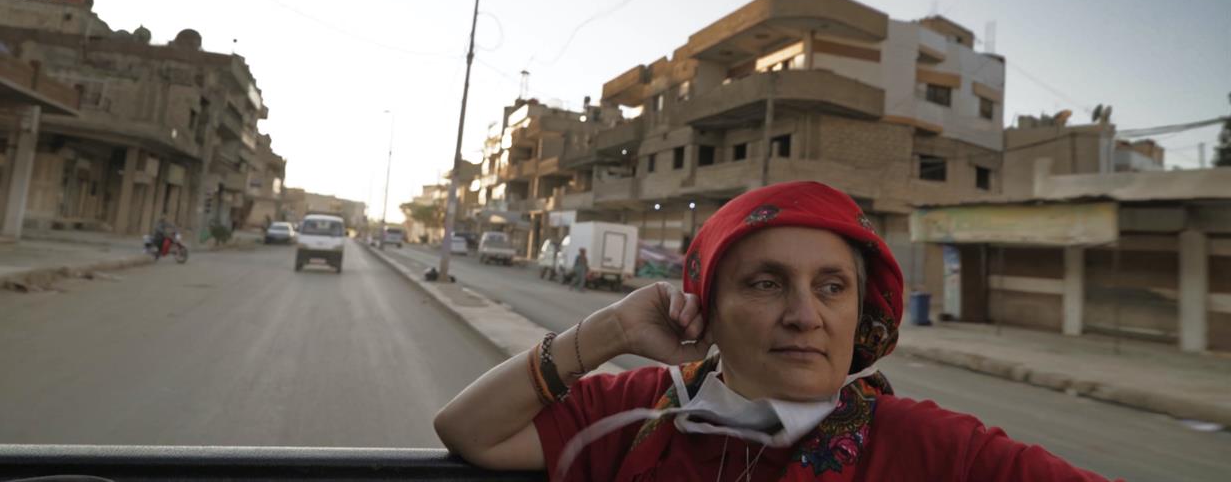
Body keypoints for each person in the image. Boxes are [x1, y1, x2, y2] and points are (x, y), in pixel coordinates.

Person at [434, 181, 1119, 481]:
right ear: (706, 307)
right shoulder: (639, 414)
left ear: (861, 314)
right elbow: (470, 430)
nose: (804, 313)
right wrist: (610, 329)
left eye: (831, 286)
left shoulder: (929, 447)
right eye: (765, 282)